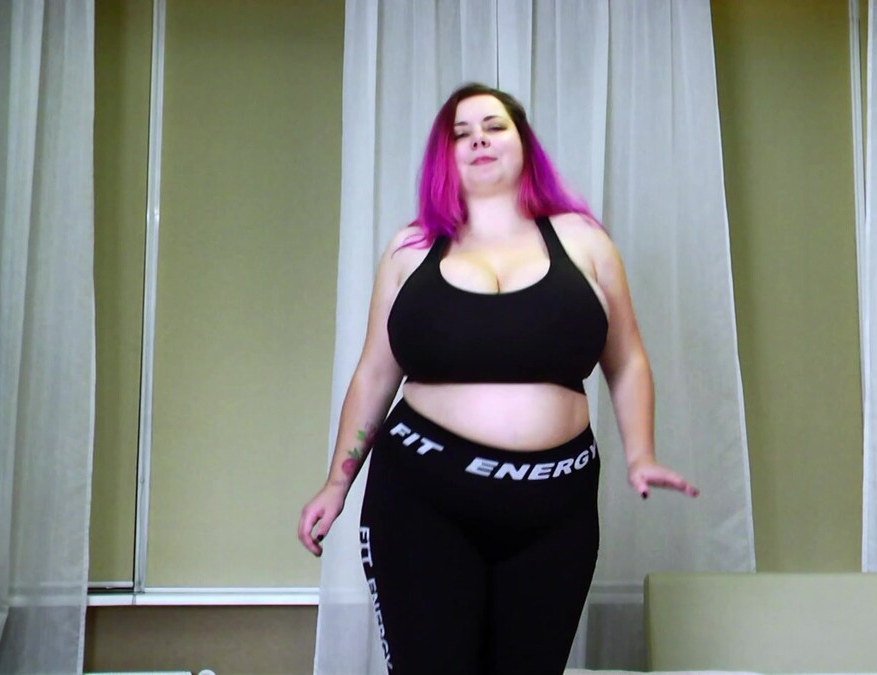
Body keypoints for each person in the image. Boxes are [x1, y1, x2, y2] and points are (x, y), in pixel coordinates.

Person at [298, 82, 698, 675]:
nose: (479, 140)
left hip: (554, 506)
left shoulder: (585, 241)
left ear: (524, 142)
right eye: (461, 134)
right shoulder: (410, 250)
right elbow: (375, 373)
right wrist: (337, 483)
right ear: (445, 157)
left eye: (494, 127)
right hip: (422, 500)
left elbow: (628, 359)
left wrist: (640, 453)